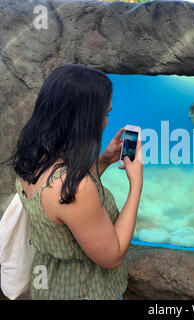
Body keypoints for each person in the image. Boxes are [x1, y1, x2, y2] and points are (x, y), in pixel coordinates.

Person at [2, 64, 143, 300]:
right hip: (84, 290)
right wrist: (136, 183)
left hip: (49, 285)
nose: (106, 121)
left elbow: (64, 208)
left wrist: (102, 162)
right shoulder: (75, 189)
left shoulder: (32, 158)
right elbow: (112, 255)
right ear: (84, 118)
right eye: (105, 113)